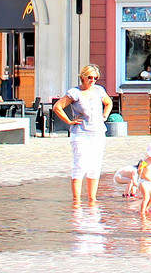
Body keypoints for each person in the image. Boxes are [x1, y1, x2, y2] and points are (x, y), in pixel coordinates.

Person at [54, 64, 112, 203]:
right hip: (80, 133)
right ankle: (77, 200)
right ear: (83, 77)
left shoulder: (99, 90)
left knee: (95, 165)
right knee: (80, 165)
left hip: (98, 132)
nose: (92, 80)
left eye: (95, 78)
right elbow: (57, 107)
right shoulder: (75, 92)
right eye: (89, 77)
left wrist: (105, 115)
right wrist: (69, 121)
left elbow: (108, 103)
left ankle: (92, 199)